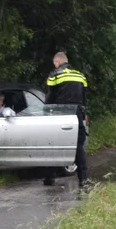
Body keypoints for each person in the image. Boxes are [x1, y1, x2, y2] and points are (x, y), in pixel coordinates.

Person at [43, 51, 89, 188]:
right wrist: (84, 114)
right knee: (78, 145)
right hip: (77, 113)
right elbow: (84, 98)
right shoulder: (80, 75)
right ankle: (83, 179)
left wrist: (46, 113)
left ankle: (50, 178)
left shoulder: (55, 75)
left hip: (60, 113)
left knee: (53, 144)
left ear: (57, 62)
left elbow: (50, 98)